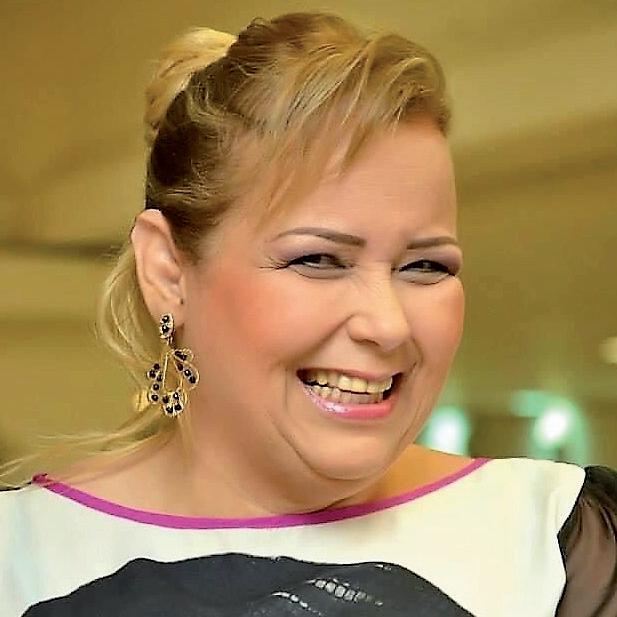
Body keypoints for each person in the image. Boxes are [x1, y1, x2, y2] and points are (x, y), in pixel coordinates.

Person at [1, 11, 615, 617]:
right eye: (318, 259)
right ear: (167, 271)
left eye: (426, 266)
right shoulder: (21, 553)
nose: (388, 325)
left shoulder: (556, 539)